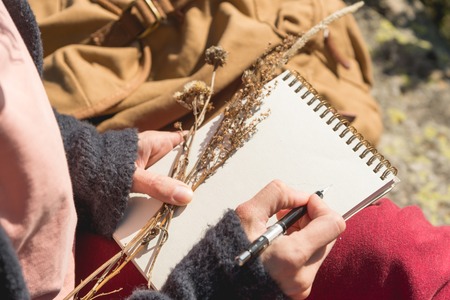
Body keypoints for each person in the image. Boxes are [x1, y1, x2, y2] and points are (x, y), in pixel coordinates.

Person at [2, 1, 450, 300]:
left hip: (76, 214)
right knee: (396, 254)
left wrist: (88, 157)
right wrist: (218, 284)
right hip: (93, 273)